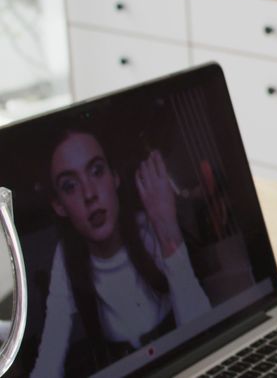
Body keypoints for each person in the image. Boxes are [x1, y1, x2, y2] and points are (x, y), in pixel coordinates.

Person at [31, 128, 211, 376]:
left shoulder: (149, 226)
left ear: (114, 177)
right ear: (59, 206)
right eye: (70, 186)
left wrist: (168, 232)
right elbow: (48, 362)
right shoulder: (66, 258)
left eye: (96, 171)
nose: (89, 194)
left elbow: (205, 339)